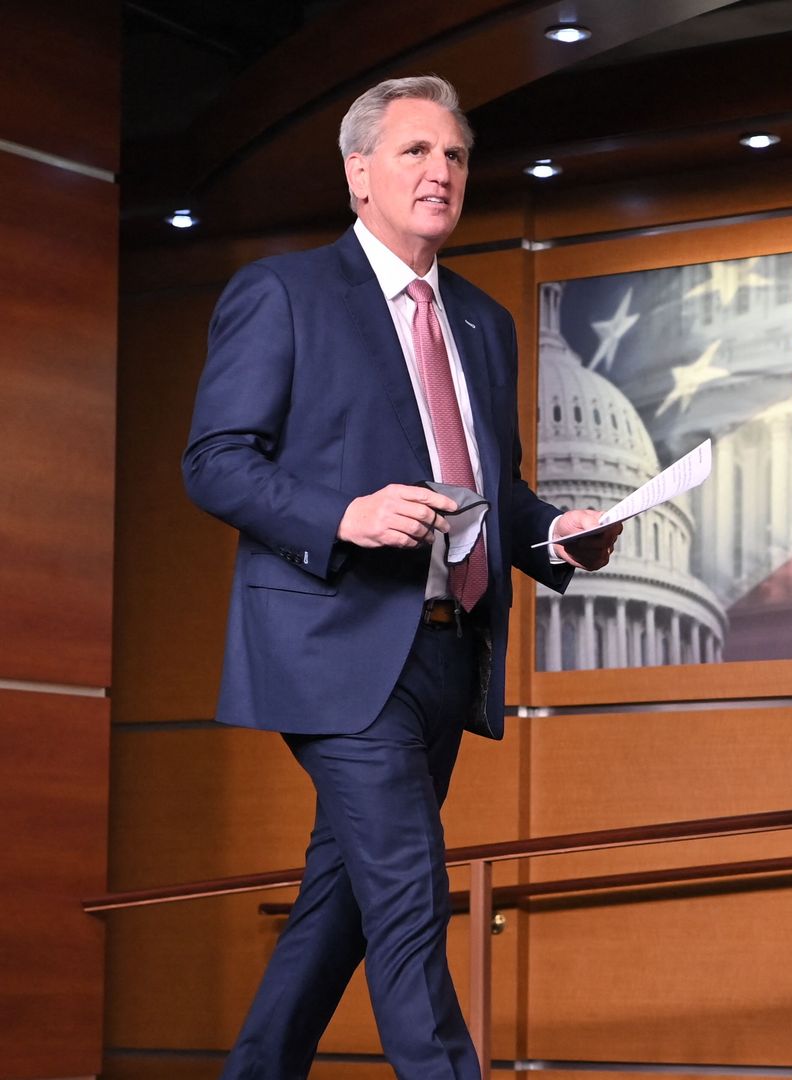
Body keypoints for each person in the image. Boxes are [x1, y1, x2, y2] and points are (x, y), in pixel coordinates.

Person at [182, 75, 619, 1078]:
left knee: (342, 904)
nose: (442, 172)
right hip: (334, 650)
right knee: (413, 893)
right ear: (359, 174)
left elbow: (493, 493)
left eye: (456, 155)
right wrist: (342, 515)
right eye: (417, 151)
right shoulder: (284, 292)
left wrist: (561, 535)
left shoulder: (481, 321)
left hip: (445, 654)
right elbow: (214, 462)